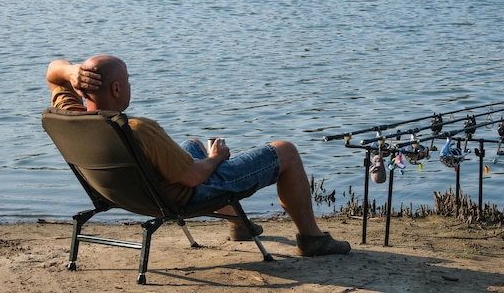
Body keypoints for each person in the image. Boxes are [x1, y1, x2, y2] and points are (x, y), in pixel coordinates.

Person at [46, 55, 351, 257]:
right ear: (115, 88)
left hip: (125, 195)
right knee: (285, 151)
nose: (130, 85)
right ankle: (311, 239)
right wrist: (217, 157)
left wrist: (70, 70)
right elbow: (192, 176)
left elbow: (53, 74)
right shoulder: (138, 129)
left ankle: (237, 222)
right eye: (127, 81)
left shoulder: (72, 118)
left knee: (191, 144)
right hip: (183, 195)